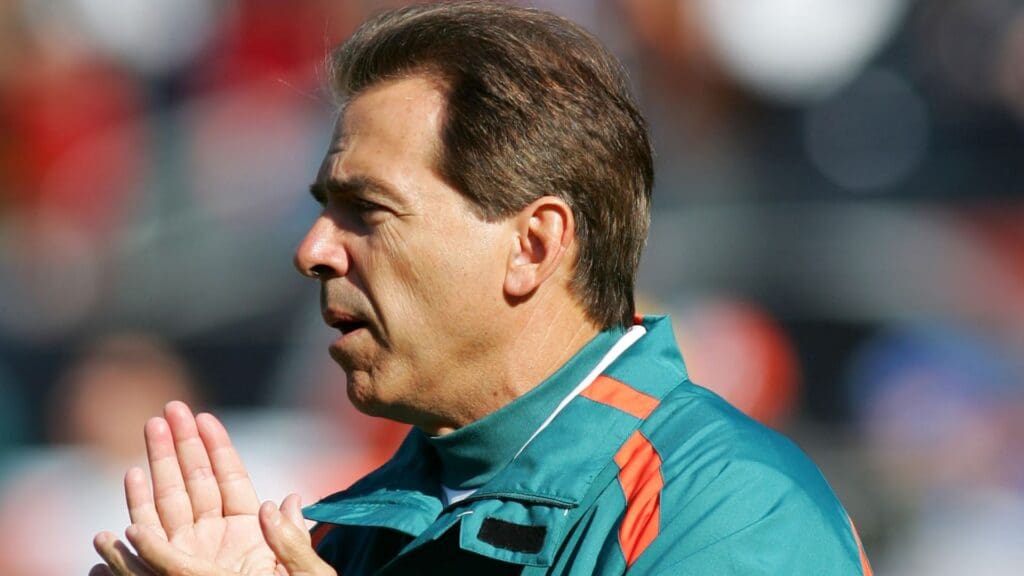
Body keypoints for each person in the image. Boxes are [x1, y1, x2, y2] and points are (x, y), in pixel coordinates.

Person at [92, 2, 873, 574]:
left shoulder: (732, 512)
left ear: (533, 245)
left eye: (368, 210)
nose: (314, 251)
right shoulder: (350, 534)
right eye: (324, 210)